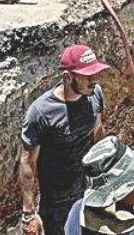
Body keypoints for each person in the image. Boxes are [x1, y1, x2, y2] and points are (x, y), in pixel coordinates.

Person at [20, 45, 110, 235]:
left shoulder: (95, 94)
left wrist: (105, 176)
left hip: (89, 189)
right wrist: (28, 214)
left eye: (96, 73)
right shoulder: (41, 112)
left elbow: (98, 133)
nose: (94, 80)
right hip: (57, 203)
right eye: (87, 75)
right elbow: (28, 162)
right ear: (68, 77)